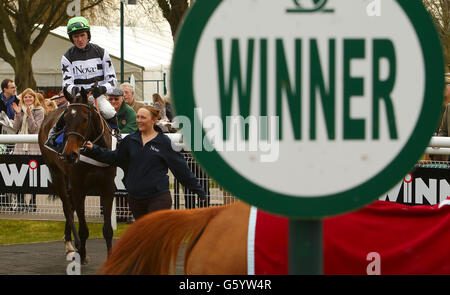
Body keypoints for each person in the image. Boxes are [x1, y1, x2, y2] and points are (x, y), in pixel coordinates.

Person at [84, 106, 206, 220]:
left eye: (143, 117)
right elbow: (115, 157)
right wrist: (94, 149)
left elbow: (182, 170)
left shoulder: (164, 143)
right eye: (137, 117)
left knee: (153, 232)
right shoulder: (130, 140)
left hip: (158, 197)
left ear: (153, 120)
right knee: (144, 237)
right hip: (135, 198)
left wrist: (199, 190)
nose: (139, 120)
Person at [45, 16, 119, 153]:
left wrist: (102, 88)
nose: (79, 39)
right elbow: (67, 83)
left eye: (82, 35)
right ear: (71, 38)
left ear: (88, 35)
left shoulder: (101, 53)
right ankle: (53, 138)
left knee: (109, 111)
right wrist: (78, 90)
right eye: (75, 36)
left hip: (97, 96)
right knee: (68, 115)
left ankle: (117, 137)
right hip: (78, 98)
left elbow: (113, 80)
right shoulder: (67, 57)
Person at [12, 88, 45, 212]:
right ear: (23, 99)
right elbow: (15, 128)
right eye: (25, 97)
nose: (28, 99)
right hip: (20, 146)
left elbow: (35, 130)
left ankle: (32, 202)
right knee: (20, 175)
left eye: (30, 97)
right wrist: (18, 114)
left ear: (34, 98)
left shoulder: (39, 110)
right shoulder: (20, 110)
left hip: (33, 147)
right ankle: (20, 203)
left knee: (33, 176)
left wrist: (30, 116)